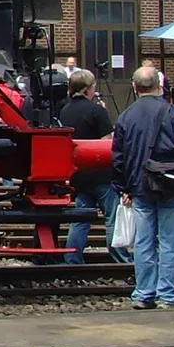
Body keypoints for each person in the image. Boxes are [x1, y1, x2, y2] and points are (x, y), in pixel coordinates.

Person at [112, 65, 174, 310]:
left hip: (140, 187)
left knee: (144, 241)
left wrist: (124, 188)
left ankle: (144, 293)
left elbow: (118, 157)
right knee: (170, 242)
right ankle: (167, 294)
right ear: (160, 85)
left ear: (135, 87)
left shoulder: (126, 116)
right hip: (171, 185)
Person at [62, 69, 127, 266]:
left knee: (81, 217)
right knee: (112, 218)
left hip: (78, 174)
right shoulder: (97, 111)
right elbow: (107, 142)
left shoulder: (64, 110)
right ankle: (120, 257)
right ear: (89, 89)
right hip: (100, 174)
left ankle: (72, 256)